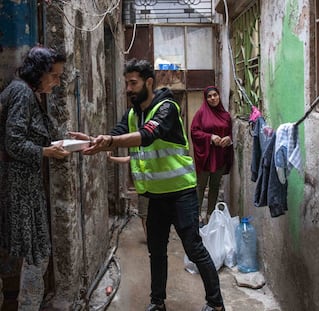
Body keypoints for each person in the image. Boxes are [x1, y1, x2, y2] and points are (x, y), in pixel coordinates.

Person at [70, 59, 225, 311]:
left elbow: (147, 135)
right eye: (127, 83)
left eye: (134, 83)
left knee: (194, 249)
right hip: (156, 196)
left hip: (181, 193)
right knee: (156, 251)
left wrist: (109, 140)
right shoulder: (133, 114)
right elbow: (116, 134)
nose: (129, 89)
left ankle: (216, 304)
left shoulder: (167, 108)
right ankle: (157, 302)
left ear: (149, 82)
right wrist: (91, 140)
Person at [0, 46, 70, 310]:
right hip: (20, 190)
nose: (57, 81)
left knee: (34, 254)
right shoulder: (21, 93)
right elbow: (13, 142)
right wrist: (46, 151)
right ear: (39, 72)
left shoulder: (29, 93)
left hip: (26, 188)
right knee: (35, 255)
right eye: (54, 75)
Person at [190, 86, 233, 224]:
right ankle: (196, 215)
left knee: (215, 186)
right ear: (206, 99)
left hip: (220, 155)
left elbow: (229, 133)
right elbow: (194, 131)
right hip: (206, 157)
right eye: (209, 96)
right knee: (201, 186)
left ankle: (210, 214)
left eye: (215, 95)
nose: (213, 98)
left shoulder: (226, 116)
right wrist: (210, 137)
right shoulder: (201, 114)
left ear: (219, 96)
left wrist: (228, 139)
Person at [106, 151, 148, 240]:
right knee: (145, 216)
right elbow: (126, 159)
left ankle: (154, 239)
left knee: (150, 216)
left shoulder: (149, 154)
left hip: (153, 189)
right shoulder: (139, 155)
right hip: (144, 190)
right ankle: (150, 239)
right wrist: (110, 159)